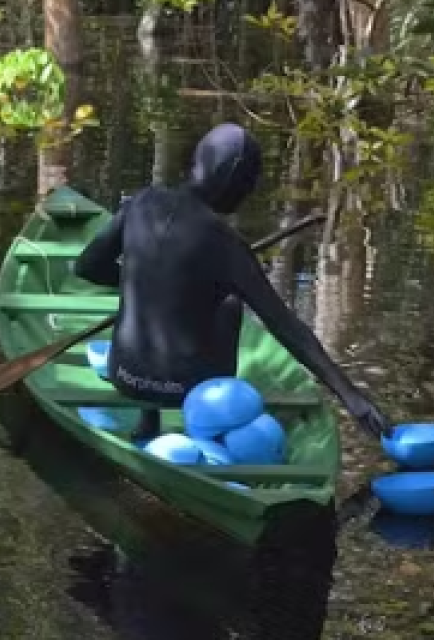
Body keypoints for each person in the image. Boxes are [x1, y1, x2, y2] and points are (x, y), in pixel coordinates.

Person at [72, 123, 390, 441]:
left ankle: (148, 421)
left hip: (125, 376)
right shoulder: (226, 245)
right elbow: (286, 327)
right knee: (229, 304)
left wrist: (145, 283)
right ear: (233, 181)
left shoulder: (140, 203)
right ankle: (214, 425)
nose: (248, 194)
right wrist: (352, 398)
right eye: (248, 184)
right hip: (182, 390)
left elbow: (87, 267)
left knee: (173, 302)